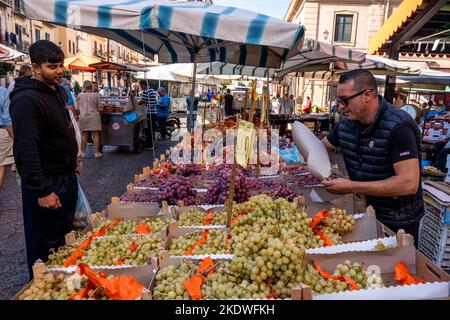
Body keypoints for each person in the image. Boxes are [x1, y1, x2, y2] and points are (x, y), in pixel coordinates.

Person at [321, 69, 424, 245]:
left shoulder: (399, 126)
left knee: (395, 270)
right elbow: (322, 146)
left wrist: (351, 186)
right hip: (363, 212)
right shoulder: (347, 123)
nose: (340, 106)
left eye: (345, 100)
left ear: (367, 95)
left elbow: (409, 184)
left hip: (396, 222)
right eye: (339, 100)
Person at [9, 40, 78, 278]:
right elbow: (26, 150)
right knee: (45, 243)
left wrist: (70, 161)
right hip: (47, 184)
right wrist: (42, 191)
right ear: (36, 67)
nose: (59, 71)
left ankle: (64, 284)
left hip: (64, 177)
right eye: (52, 66)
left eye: (61, 65)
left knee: (64, 237)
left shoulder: (57, 91)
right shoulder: (27, 100)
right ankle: (43, 286)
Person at [77, 80, 102, 158]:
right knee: (95, 135)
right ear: (91, 86)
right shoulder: (96, 95)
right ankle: (97, 153)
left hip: (83, 116)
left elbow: (77, 107)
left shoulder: (80, 95)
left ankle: (83, 152)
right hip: (94, 116)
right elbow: (100, 107)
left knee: (84, 134)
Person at [0, 86, 13, 189]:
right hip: (1, 131)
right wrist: (14, 138)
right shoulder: (3, 91)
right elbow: (7, 118)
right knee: (0, 165)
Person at [138, 80, 158, 148]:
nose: (140, 87)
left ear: (144, 85)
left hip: (150, 113)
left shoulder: (146, 91)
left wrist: (135, 104)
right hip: (153, 112)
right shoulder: (152, 90)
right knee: (151, 129)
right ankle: (151, 143)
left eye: (140, 86)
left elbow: (141, 101)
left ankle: (149, 145)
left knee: (149, 129)